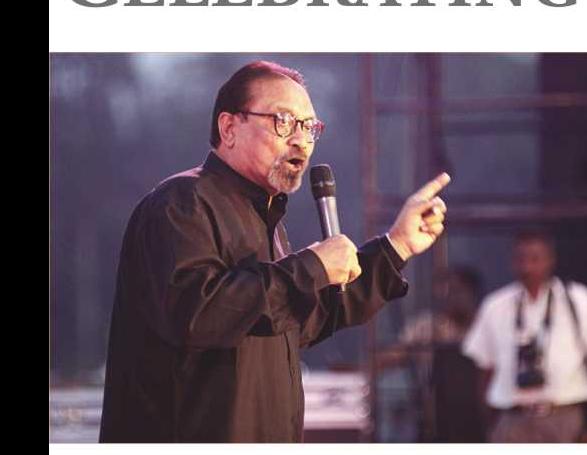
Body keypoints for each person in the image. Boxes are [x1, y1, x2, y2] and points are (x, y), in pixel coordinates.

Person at [99, 60, 450, 443]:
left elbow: (298, 317)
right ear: (229, 128)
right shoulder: (183, 203)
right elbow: (199, 312)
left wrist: (396, 245)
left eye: (309, 127)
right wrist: (312, 267)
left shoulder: (265, 218)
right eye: (283, 122)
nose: (300, 140)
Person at [463, 230, 587, 443]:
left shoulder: (578, 300)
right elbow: (484, 370)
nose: (528, 267)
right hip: (512, 418)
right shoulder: (495, 305)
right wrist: (490, 423)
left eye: (535, 259)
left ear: (550, 260)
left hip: (565, 416)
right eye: (521, 259)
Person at [376, 266, 485, 442]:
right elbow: (392, 356)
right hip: (434, 415)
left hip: (478, 415)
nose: (454, 297)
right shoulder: (428, 326)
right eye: (448, 291)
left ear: (473, 293)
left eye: (459, 290)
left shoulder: (485, 325)